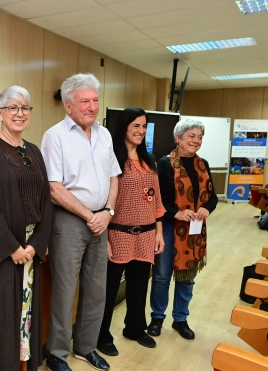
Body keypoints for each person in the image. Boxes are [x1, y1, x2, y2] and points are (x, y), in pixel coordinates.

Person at [41, 73, 121, 371]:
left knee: (96, 288)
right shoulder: (55, 136)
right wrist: (90, 216)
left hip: (102, 220)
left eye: (95, 100)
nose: (92, 106)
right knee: (64, 291)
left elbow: (114, 176)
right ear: (68, 106)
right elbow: (54, 187)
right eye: (84, 101)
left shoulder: (105, 135)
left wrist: (108, 213)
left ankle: (86, 347)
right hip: (70, 222)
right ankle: (57, 354)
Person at [0, 86, 53, 371]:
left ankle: (23, 361)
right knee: (2, 312)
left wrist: (36, 244)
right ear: (0, 113)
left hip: (31, 247)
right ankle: (0, 364)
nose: (20, 113)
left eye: (25, 108)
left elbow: (46, 201)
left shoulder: (34, 151)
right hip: (3, 249)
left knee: (26, 310)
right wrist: (12, 247)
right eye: (12, 108)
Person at [96, 108, 166, 357]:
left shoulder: (150, 160)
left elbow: (156, 200)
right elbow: (103, 200)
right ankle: (102, 334)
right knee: (109, 289)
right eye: (136, 125)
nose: (141, 131)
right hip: (117, 233)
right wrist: (103, 238)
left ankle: (135, 328)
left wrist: (158, 233)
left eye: (144, 126)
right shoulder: (112, 159)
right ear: (124, 127)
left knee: (139, 287)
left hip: (147, 234)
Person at [148, 118, 218, 340]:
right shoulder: (165, 164)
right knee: (161, 277)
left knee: (187, 278)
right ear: (178, 138)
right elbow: (157, 200)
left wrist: (207, 209)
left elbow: (213, 198)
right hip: (169, 228)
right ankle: (157, 318)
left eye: (199, 137)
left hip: (194, 231)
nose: (196, 141)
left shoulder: (203, 164)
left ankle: (180, 319)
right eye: (191, 136)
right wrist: (175, 213)